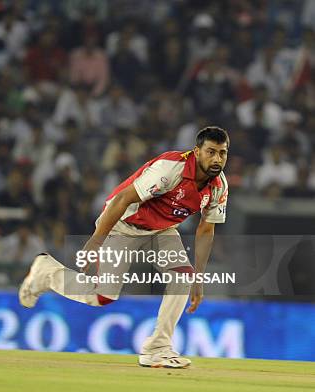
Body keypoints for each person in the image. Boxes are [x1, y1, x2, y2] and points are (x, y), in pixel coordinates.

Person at [19, 126, 229, 368]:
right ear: (197, 151)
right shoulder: (171, 169)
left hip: (161, 230)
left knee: (184, 277)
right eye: (211, 152)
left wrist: (199, 278)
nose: (217, 159)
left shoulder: (219, 185)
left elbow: (206, 229)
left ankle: (157, 348)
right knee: (103, 296)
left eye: (222, 153)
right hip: (123, 224)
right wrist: (96, 241)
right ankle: (47, 273)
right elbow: (122, 199)